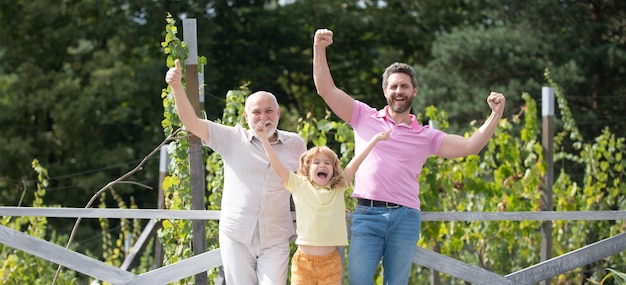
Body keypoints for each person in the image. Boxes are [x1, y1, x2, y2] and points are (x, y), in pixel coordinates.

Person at [312, 29, 506, 285]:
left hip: (405, 218)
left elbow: (470, 146)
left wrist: (495, 114)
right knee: (358, 281)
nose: (399, 91)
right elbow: (326, 89)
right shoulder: (362, 116)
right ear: (385, 91)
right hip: (366, 216)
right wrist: (319, 48)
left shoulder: (426, 136)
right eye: (393, 86)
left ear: (414, 91)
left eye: (405, 86)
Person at [165, 59, 307, 284]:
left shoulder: (295, 144)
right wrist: (176, 87)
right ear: (245, 116)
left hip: (276, 238)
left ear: (278, 112)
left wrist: (334, 201)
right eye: (256, 112)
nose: (263, 117)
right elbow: (191, 122)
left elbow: (309, 185)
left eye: (269, 111)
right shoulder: (232, 138)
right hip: (237, 235)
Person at [253, 118, 389, 284]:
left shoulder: (338, 189)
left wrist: (375, 139)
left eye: (327, 163)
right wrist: (264, 139)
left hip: (331, 263)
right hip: (303, 263)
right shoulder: (299, 185)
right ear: (307, 169)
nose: (322, 165)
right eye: (316, 162)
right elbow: (277, 166)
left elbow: (356, 162)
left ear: (333, 170)